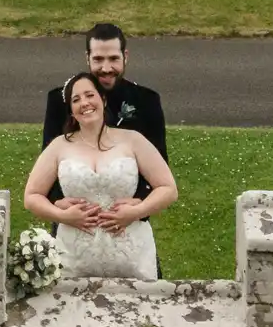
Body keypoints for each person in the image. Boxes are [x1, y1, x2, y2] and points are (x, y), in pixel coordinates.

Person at [23, 72, 177, 280]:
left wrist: (137, 211)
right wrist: (62, 216)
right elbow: (31, 196)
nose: (84, 103)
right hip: (75, 254)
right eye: (76, 100)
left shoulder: (132, 140)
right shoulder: (59, 146)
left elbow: (168, 189)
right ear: (71, 111)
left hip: (130, 252)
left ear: (102, 99)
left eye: (89, 95)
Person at [41, 23, 167, 206]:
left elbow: (160, 165)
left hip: (127, 219)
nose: (106, 68)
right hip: (73, 216)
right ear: (88, 58)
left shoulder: (146, 101)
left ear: (125, 56)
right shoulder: (60, 101)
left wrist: (139, 204)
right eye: (98, 59)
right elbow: (48, 163)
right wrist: (58, 203)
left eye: (113, 59)